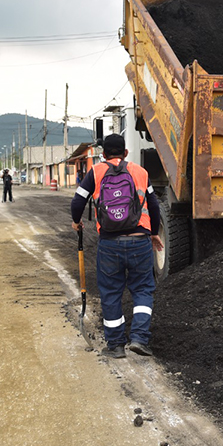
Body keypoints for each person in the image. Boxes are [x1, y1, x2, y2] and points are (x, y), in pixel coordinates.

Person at [70, 134, 164, 358]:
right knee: (142, 289)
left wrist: (76, 221)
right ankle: (140, 338)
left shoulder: (96, 172)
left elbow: (78, 200)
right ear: (125, 153)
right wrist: (153, 233)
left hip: (110, 243)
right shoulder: (141, 173)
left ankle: (116, 346)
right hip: (140, 240)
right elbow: (153, 205)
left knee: (111, 292)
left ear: (103, 154)